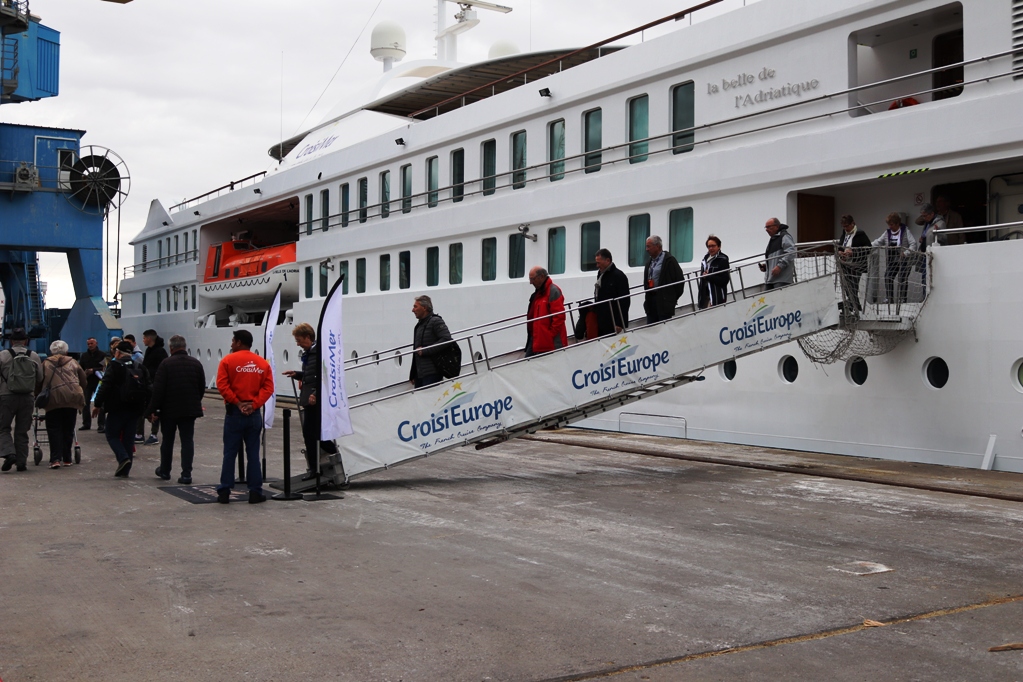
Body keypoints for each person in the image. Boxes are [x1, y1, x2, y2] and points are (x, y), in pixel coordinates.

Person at [215, 330, 273, 504]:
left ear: (239, 342)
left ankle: (225, 491)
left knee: (229, 453)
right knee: (253, 454)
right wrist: (253, 404)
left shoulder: (227, 361)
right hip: (254, 414)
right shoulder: (262, 363)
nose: (231, 344)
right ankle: (255, 492)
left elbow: (222, 385)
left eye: (233, 341)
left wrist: (237, 403)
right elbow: (268, 388)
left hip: (234, 412)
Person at [145, 334, 205, 484]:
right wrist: (194, 401)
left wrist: (151, 410)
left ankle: (165, 471)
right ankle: (186, 474)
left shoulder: (166, 364)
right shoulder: (196, 363)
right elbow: (201, 387)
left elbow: (158, 390)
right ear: (185, 347)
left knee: (168, 441)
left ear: (171, 348)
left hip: (169, 410)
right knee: (187, 441)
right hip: (189, 410)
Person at [283, 323, 340, 479]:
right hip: (311, 399)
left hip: (316, 401)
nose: (298, 343)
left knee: (311, 434)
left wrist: (315, 393)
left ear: (308, 337)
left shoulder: (317, 353)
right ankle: (327, 458)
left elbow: (324, 376)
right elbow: (311, 375)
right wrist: (297, 374)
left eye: (299, 340)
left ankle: (318, 468)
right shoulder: (310, 353)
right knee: (314, 433)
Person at [92, 341, 151, 477]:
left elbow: (105, 385)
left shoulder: (114, 366)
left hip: (117, 408)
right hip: (135, 409)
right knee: (128, 439)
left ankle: (123, 458)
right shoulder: (140, 367)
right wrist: (148, 409)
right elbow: (149, 388)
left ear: (118, 353)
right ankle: (125, 470)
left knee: (111, 435)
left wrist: (97, 404)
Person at [0, 328, 43, 473]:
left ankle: (9, 453)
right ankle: (21, 463)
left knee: (3, 428)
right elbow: (40, 378)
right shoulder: (34, 356)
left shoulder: (3, 355)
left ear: (11, 341)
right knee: (22, 430)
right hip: (27, 397)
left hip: (6, 396)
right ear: (26, 341)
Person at [41, 341, 88, 468]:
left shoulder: (46, 363)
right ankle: (67, 459)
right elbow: (83, 381)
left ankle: (55, 459)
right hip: (72, 399)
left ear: (51, 351)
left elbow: (39, 381)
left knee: (54, 429)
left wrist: (37, 395)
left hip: (53, 400)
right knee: (68, 428)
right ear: (66, 351)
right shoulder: (73, 362)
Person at [871, 212, 917, 304]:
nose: (890, 227)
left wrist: (906, 253)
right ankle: (889, 298)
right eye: (889, 224)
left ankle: (902, 299)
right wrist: (868, 246)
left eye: (891, 224)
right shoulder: (887, 233)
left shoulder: (905, 231)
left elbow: (913, 244)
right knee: (888, 276)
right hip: (892, 260)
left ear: (897, 223)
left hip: (904, 259)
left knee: (902, 278)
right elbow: (878, 242)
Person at [524, 266, 567, 356]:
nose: (531, 282)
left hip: (547, 340)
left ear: (542, 276)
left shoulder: (552, 291)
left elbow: (559, 317)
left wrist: (549, 334)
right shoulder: (538, 293)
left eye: (533, 279)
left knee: (532, 363)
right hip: (537, 337)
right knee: (529, 363)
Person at [642, 235, 685, 323]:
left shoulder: (669, 260)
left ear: (657, 246)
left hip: (664, 302)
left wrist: (671, 299)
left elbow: (680, 280)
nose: (646, 249)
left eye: (648, 246)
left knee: (664, 329)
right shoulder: (649, 262)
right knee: (651, 330)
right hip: (651, 301)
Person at [592, 248, 631, 336]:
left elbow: (625, 300)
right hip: (602, 319)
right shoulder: (601, 274)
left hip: (613, 320)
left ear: (607, 260)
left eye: (599, 263)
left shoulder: (619, 276)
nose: (597, 265)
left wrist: (620, 322)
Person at [836, 215, 871, 313]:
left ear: (853, 223)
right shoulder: (845, 234)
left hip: (857, 264)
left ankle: (852, 306)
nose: (845, 228)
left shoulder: (860, 234)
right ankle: (854, 306)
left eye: (847, 226)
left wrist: (853, 253)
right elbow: (840, 246)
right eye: (843, 227)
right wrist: (840, 252)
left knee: (854, 285)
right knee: (846, 286)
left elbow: (869, 248)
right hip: (845, 264)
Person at [139, 330, 168, 445]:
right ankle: (141, 433)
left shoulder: (160, 352)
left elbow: (161, 368)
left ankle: (154, 434)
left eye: (144, 338)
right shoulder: (149, 350)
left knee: (155, 408)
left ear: (149, 338)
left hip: (155, 384)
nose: (143, 340)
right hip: (148, 383)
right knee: (146, 407)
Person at [78, 336, 107, 431]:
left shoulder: (102, 355)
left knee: (100, 403)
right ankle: (86, 423)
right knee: (85, 403)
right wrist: (84, 373)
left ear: (96, 343)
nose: (90, 345)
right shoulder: (84, 356)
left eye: (92, 343)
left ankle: (101, 424)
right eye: (88, 344)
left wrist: (94, 370)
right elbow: (80, 368)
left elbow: (105, 368)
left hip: (98, 381)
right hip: (87, 382)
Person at [760, 218, 796, 290]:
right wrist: (767, 266)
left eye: (769, 227)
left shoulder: (784, 236)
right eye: (766, 227)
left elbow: (791, 252)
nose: (766, 229)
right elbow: (775, 259)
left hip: (782, 280)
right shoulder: (774, 239)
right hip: (771, 280)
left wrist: (779, 266)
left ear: (777, 226)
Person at [697, 235, 730, 309]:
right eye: (709, 246)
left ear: (719, 246)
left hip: (717, 296)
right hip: (705, 296)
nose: (711, 248)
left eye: (713, 246)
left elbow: (724, 280)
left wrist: (708, 276)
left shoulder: (722, 259)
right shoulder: (705, 260)